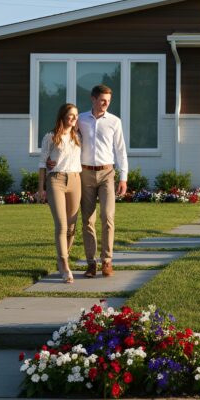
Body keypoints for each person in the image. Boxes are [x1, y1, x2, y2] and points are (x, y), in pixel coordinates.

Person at [77, 84, 128, 278]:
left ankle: (107, 261)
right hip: (85, 174)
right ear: (93, 99)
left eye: (108, 101)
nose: (106, 103)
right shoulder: (80, 119)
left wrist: (123, 177)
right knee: (87, 220)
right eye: (102, 100)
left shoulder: (114, 121)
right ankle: (91, 263)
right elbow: (67, 140)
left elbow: (121, 151)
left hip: (107, 173)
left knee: (107, 217)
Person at [37, 103, 82, 284]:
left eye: (76, 116)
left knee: (72, 227)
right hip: (56, 180)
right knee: (62, 226)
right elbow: (42, 163)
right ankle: (64, 265)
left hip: (75, 180)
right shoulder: (51, 137)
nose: (74, 118)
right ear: (63, 116)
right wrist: (41, 188)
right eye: (71, 115)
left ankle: (63, 257)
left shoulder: (78, 136)